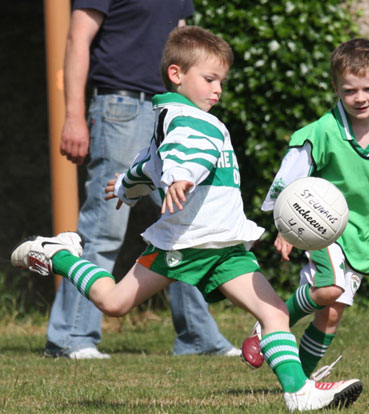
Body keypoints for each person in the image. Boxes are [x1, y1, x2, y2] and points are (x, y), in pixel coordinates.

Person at [12, 26, 362, 412]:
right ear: (176, 74)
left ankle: (299, 394)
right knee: (113, 302)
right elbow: (187, 155)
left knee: (274, 312)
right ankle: (59, 253)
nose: (218, 90)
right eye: (210, 79)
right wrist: (183, 176)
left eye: (221, 82)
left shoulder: (174, 116)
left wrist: (127, 184)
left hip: (223, 244)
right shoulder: (190, 120)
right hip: (187, 244)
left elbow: (149, 163)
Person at [45, 0, 240, 360]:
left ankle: (197, 337)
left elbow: (181, 40)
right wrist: (73, 114)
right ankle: (72, 336)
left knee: (187, 227)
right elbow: (77, 39)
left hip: (175, 111)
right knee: (105, 227)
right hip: (122, 106)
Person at [241, 38, 369, 379]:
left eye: (368, 88)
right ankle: (269, 323)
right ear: (335, 88)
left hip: (365, 231)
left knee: (332, 312)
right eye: (350, 90)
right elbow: (290, 178)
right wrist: (286, 227)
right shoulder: (323, 131)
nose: (360, 98)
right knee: (330, 289)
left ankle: (304, 378)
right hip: (324, 227)